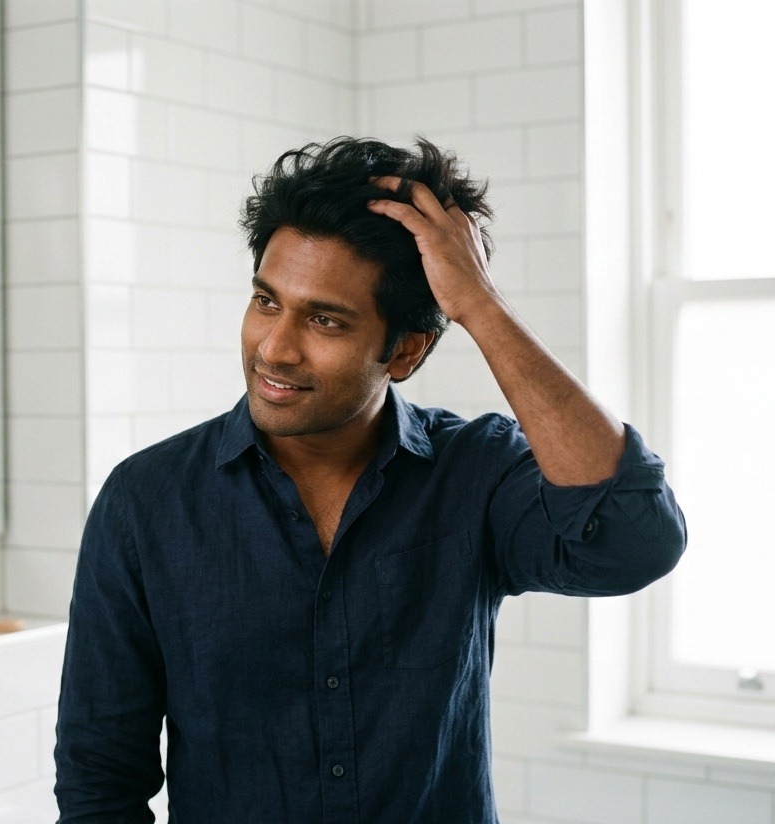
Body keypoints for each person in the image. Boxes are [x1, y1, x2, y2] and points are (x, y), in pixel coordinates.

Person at [53, 136, 686, 823]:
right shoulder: (146, 501)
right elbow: (100, 781)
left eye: (325, 320)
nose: (275, 348)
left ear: (406, 351)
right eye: (266, 301)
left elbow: (633, 543)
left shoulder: (474, 472)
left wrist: (480, 306)